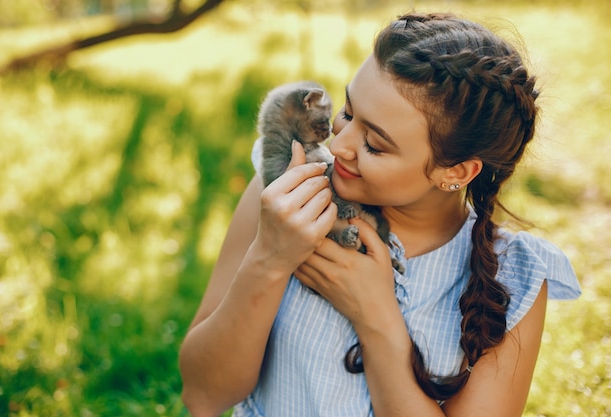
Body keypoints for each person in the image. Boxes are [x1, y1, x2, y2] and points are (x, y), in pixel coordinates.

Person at [178, 12, 581, 417]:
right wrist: (269, 258)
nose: (339, 146)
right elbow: (202, 395)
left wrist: (376, 318)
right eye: (348, 114)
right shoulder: (288, 191)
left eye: (374, 144)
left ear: (455, 172)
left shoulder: (512, 278)